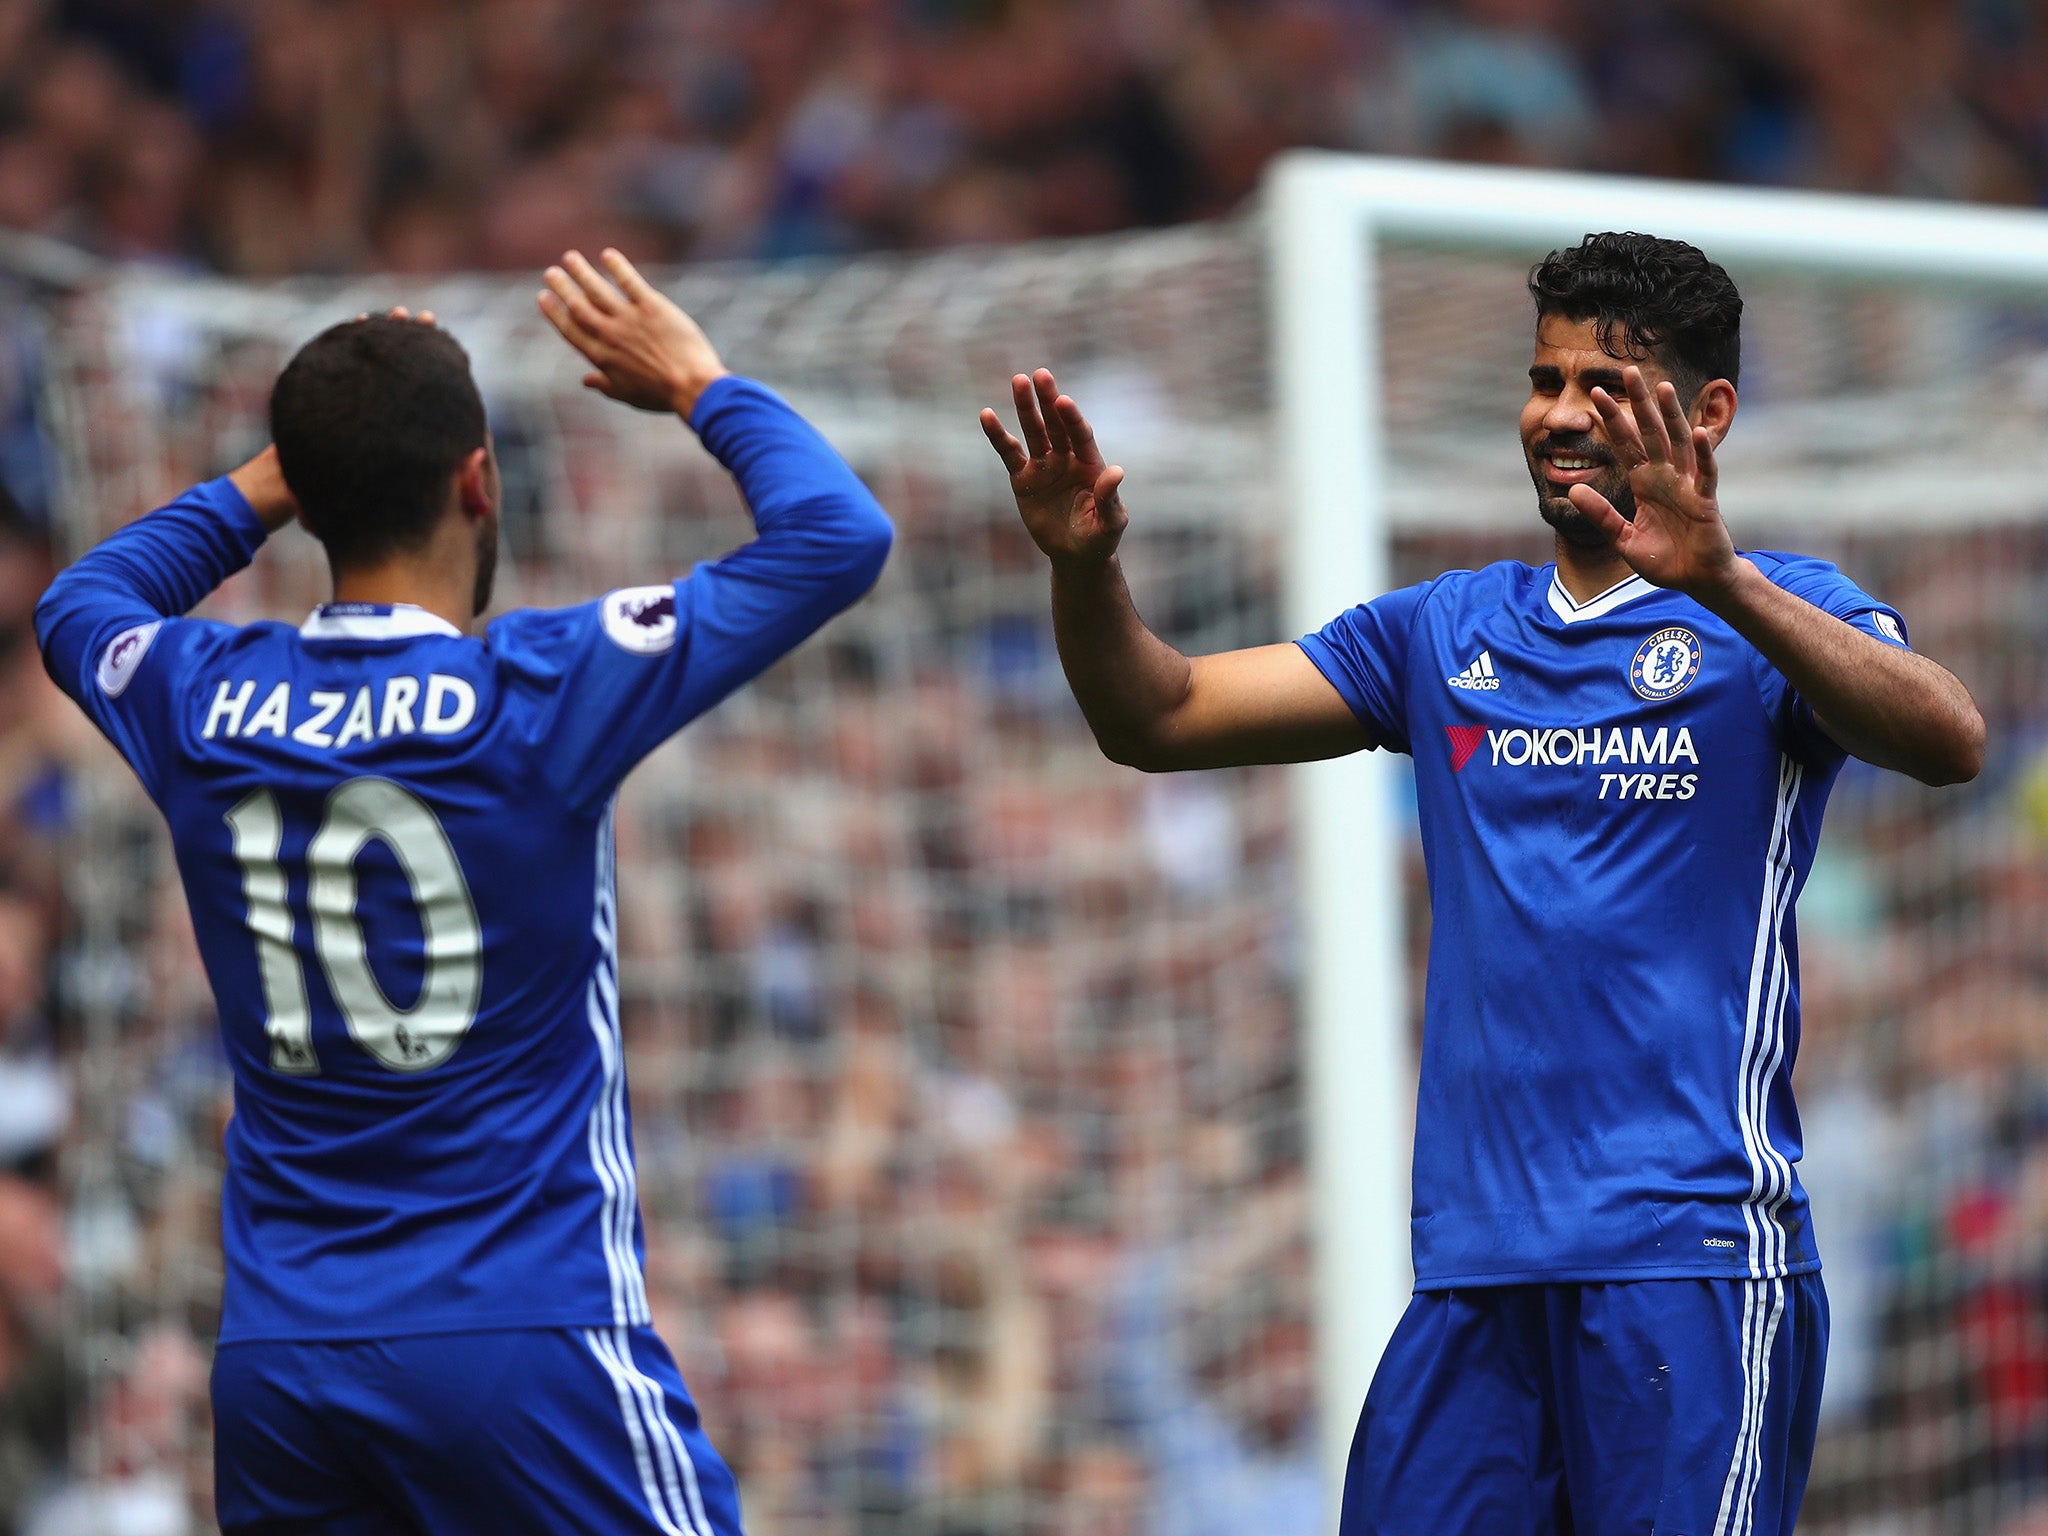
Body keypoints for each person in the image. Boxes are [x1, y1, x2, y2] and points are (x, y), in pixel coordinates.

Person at [980, 231, 1985, 1536]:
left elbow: (1950, 738)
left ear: (1709, 413)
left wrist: (1722, 578)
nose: (1559, 415)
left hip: (1689, 1263)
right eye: (1544, 379)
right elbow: (1158, 717)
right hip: (1474, 1272)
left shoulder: (1776, 613)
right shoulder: (1442, 632)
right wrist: (1084, 568)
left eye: (1602, 386)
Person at [36, 248, 893, 1534]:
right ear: (478, 482)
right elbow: (838, 534)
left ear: (312, 500)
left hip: (280, 1363)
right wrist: (698, 382)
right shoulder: (539, 691)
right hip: (522, 1338)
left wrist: (282, 472)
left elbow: (79, 600)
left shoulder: (200, 697)